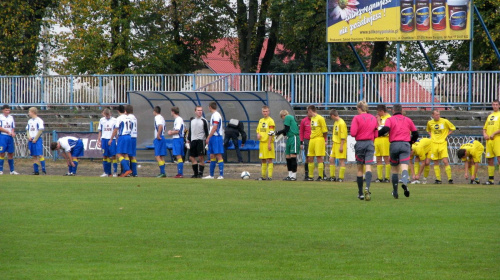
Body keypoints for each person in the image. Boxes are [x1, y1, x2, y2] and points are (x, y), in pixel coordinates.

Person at [378, 104, 418, 199]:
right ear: (401, 110)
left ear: (393, 111)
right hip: (405, 145)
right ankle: (404, 182)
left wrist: (376, 134)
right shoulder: (408, 120)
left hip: (394, 145)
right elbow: (416, 133)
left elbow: (386, 129)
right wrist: (411, 142)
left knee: (394, 170)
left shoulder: (390, 119)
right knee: (404, 167)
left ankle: (395, 192)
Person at [350, 101, 378, 200]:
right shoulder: (373, 118)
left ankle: (361, 193)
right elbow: (376, 133)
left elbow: (353, 133)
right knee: (368, 167)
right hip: (370, 143)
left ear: (359, 109)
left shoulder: (356, 118)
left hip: (360, 143)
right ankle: (368, 187)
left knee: (359, 169)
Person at [426, 110, 456, 184]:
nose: (438, 116)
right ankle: (438, 179)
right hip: (434, 144)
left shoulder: (445, 121)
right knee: (435, 161)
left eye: (439, 114)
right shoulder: (430, 123)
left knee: (445, 161)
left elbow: (453, 128)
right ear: (432, 115)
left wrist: (447, 135)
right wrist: (431, 136)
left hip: (442, 143)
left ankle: (450, 179)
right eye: (436, 115)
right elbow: (428, 130)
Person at [306, 105, 328, 181]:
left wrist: (324, 140)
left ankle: (321, 176)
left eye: (307, 111)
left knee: (319, 157)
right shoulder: (312, 118)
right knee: (310, 157)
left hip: (319, 139)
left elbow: (325, 130)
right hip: (312, 139)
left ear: (310, 111)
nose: (307, 113)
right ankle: (310, 176)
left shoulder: (320, 118)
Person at [203, 101, 225, 179]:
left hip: (216, 137)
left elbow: (215, 127)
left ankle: (221, 175)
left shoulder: (216, 115)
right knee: (212, 155)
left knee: (218, 155)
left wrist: (208, 137)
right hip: (213, 137)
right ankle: (211, 175)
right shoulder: (214, 115)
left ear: (210, 107)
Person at [276, 110, 300, 181]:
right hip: (289, 138)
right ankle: (290, 175)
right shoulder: (290, 118)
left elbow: (286, 130)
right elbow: (286, 132)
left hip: (293, 137)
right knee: (288, 156)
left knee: (293, 156)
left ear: (282, 115)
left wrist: (277, 132)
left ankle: (294, 175)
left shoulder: (288, 117)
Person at [110, 105, 132, 177]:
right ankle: (126, 172)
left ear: (118, 111)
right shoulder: (128, 117)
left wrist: (111, 139)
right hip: (129, 136)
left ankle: (127, 169)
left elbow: (116, 129)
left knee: (119, 154)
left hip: (123, 136)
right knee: (125, 154)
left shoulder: (119, 118)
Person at [187, 106, 209, 178]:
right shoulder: (192, 121)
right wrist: (188, 139)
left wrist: (207, 140)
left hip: (201, 140)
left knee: (201, 157)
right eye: (198, 110)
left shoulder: (204, 120)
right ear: (195, 111)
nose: (200, 112)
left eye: (201, 110)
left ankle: (200, 173)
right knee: (191, 157)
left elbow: (206, 132)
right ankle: (195, 173)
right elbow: (190, 131)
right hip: (193, 140)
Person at [482, 100, 500, 185]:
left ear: (499, 106)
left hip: (497, 139)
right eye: (494, 104)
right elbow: (484, 128)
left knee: (499, 159)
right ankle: (491, 179)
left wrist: (493, 133)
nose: (495, 106)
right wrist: (485, 134)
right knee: (490, 159)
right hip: (489, 140)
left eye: (496, 104)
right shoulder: (490, 116)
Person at [256, 105, 276, 180]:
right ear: (262, 112)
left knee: (269, 159)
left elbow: (271, 133)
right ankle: (263, 176)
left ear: (269, 112)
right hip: (262, 143)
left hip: (268, 142)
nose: (265, 113)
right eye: (264, 111)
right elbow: (258, 130)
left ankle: (270, 176)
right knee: (263, 159)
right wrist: (258, 134)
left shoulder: (270, 121)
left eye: (266, 111)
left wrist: (269, 143)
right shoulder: (261, 120)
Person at [26, 107, 46, 175]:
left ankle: (43, 169)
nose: (29, 113)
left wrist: (36, 138)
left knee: (40, 154)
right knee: (34, 155)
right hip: (31, 139)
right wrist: (29, 137)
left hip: (37, 139)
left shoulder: (39, 120)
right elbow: (27, 130)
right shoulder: (29, 121)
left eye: (29, 112)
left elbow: (40, 130)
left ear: (33, 112)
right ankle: (36, 171)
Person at [328, 109, 347, 182]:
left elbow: (343, 136)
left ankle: (341, 177)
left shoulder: (341, 123)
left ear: (333, 115)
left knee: (341, 160)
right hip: (335, 143)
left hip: (340, 144)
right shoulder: (336, 122)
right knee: (331, 159)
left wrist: (341, 146)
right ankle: (332, 176)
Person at [0, 105, 19, 175]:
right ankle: (0, 170)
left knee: (10, 153)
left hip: (9, 137)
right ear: (3, 110)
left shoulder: (11, 117)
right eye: (6, 110)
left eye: (8, 110)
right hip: (3, 136)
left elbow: (12, 127)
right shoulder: (0, 117)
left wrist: (13, 132)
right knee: (2, 153)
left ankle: (12, 170)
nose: (7, 111)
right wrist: (7, 131)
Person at [97, 108, 116, 177]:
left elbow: (115, 130)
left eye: (108, 115)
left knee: (113, 156)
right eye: (106, 115)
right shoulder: (102, 120)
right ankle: (106, 172)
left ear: (110, 113)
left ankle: (115, 172)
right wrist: (99, 139)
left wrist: (111, 139)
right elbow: (100, 130)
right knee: (105, 155)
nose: (107, 116)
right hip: (104, 139)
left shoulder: (114, 120)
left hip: (112, 139)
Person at [375, 105, 391, 183]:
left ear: (382, 111)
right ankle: (379, 177)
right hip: (377, 140)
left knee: (386, 158)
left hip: (385, 140)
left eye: (378, 112)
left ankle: (387, 177)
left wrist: (378, 121)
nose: (377, 113)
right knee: (378, 158)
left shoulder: (388, 118)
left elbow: (384, 130)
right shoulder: (378, 118)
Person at [167, 106, 185, 178]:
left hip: (178, 139)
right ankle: (180, 173)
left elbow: (177, 131)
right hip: (179, 139)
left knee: (178, 156)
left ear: (173, 112)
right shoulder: (179, 119)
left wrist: (171, 132)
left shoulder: (178, 119)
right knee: (178, 156)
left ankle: (180, 173)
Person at [153, 106, 167, 178]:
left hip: (159, 138)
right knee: (161, 156)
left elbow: (160, 126)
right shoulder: (162, 117)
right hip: (163, 137)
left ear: (155, 111)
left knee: (157, 156)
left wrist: (158, 134)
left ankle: (162, 172)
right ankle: (162, 172)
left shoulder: (157, 117)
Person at [126, 105, 139, 177]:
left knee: (127, 154)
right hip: (134, 136)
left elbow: (128, 127)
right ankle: (135, 172)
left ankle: (128, 171)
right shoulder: (134, 117)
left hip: (130, 136)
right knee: (133, 155)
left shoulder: (129, 118)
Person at [299, 115, 311, 179]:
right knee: (307, 157)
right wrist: (301, 142)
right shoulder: (304, 121)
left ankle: (322, 174)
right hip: (307, 140)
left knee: (319, 157)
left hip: (315, 140)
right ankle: (307, 174)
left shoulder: (317, 119)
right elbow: (301, 132)